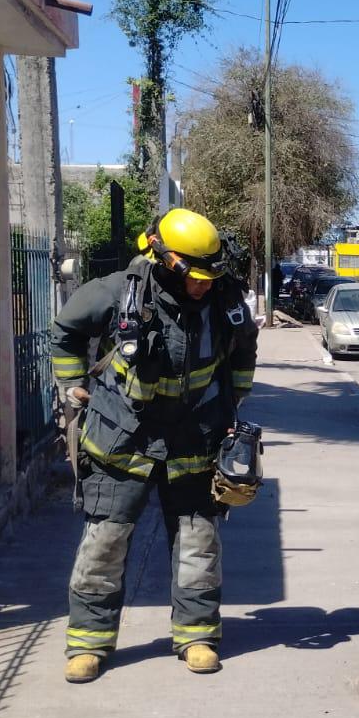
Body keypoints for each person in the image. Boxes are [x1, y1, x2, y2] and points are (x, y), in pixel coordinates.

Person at [50, 208, 258, 684]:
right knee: (105, 541)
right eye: (196, 278)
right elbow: (65, 333)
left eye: (210, 277)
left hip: (194, 439)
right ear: (168, 262)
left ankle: (197, 635)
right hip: (122, 438)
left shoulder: (223, 298)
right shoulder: (118, 290)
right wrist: (72, 384)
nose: (203, 286)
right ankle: (88, 642)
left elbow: (244, 344)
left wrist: (236, 397)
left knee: (197, 542)